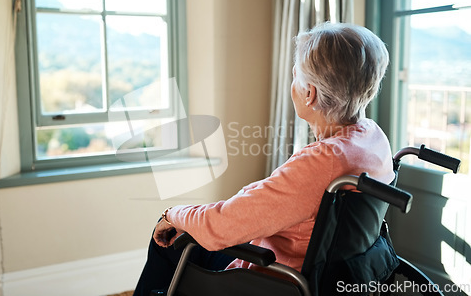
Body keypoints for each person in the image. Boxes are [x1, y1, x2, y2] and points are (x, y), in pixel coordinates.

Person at [133, 22, 395, 295]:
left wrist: (172, 214)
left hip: (274, 279)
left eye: (295, 76)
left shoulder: (321, 164)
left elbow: (219, 227)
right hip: (322, 269)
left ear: (309, 94)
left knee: (171, 237)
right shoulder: (373, 139)